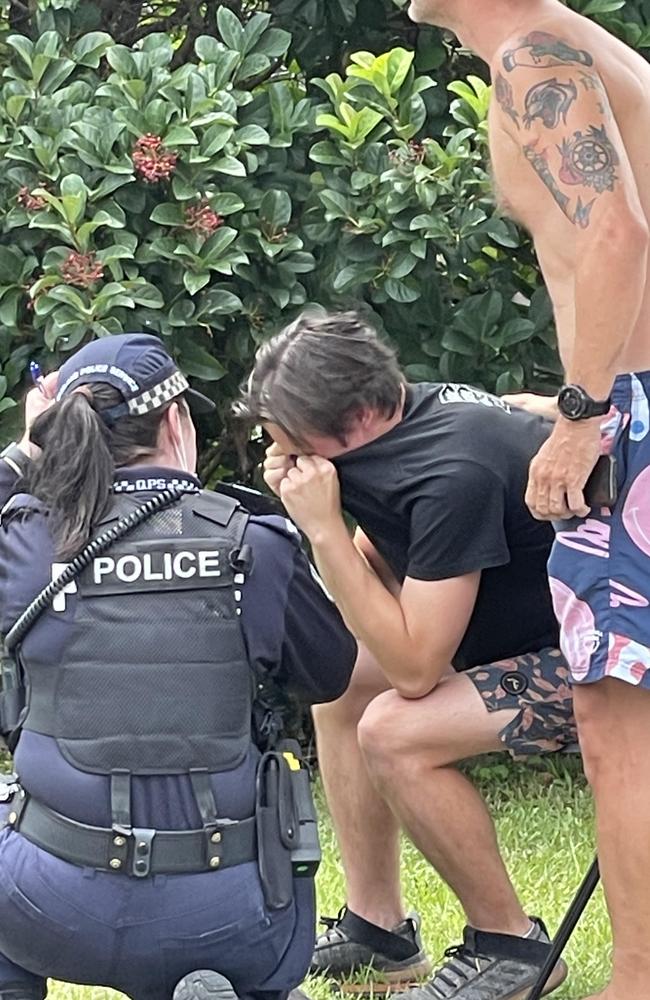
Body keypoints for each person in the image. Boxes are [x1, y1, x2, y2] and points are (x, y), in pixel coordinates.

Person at [405, 3, 650, 1000]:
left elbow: (614, 234)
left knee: (617, 725)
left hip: (628, 429)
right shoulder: (582, 46)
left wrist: (585, 412)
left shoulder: (531, 57)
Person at [0, 333, 356, 1000]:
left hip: (47, 904)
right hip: (229, 914)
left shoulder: (27, 543)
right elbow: (330, 674)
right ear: (176, 421)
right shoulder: (253, 543)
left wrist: (24, 453)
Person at [236, 311, 578, 1000]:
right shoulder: (406, 424)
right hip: (546, 641)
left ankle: (509, 946)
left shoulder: (450, 468)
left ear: (360, 414)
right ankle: (378, 930)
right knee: (341, 679)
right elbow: (388, 564)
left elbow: (417, 669)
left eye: (298, 448)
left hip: (602, 666)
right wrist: (337, 534)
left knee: (396, 732)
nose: (289, 462)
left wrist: (323, 529)